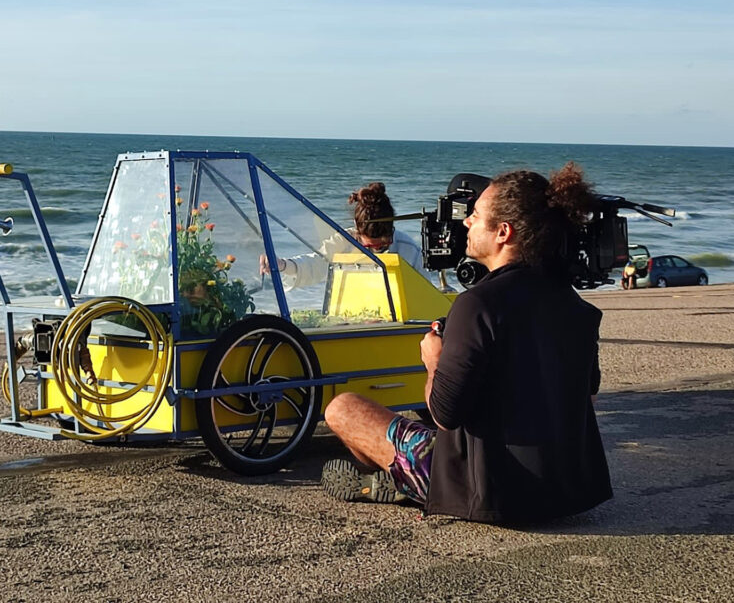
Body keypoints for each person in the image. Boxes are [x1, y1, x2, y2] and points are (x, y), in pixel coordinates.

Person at [320, 163, 613, 524]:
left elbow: (444, 414)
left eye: (475, 216)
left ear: (503, 232)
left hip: (487, 493)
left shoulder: (477, 305)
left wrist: (434, 358)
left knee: (343, 408)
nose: (465, 223)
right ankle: (399, 478)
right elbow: (588, 397)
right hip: (565, 492)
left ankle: (407, 480)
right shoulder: (576, 306)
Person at [260, 182, 439, 289]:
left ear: (392, 230)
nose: (377, 250)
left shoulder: (408, 249)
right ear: (356, 229)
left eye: (382, 245)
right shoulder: (344, 241)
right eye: (370, 247)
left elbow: (425, 293)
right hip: (349, 319)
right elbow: (314, 265)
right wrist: (282, 265)